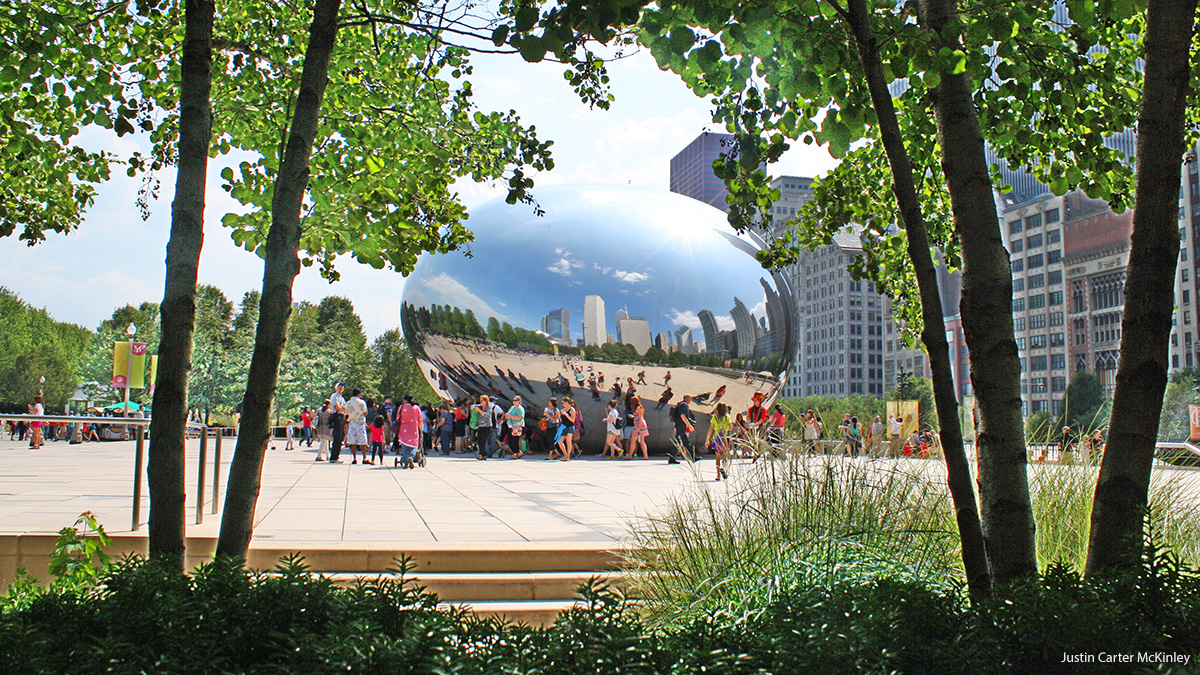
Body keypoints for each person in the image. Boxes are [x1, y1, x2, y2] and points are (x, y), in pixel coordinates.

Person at [395, 395, 423, 469]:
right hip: (413, 428)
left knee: (404, 444)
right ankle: (411, 456)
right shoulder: (416, 408)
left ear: (405, 400)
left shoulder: (402, 407)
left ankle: (405, 462)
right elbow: (420, 419)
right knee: (414, 444)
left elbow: (398, 417)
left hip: (404, 428)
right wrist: (420, 429)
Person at [706, 403, 733, 480]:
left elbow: (711, 429)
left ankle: (718, 475)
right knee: (725, 456)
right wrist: (726, 429)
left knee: (718, 458)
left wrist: (707, 439)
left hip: (717, 439)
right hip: (725, 439)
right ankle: (723, 467)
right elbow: (731, 427)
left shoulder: (715, 418)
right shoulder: (727, 418)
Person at [669, 394, 695, 464]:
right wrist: (689, 425)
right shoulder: (684, 405)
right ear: (687, 399)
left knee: (684, 441)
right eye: (690, 399)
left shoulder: (680, 404)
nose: (690, 401)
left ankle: (692, 457)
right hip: (681, 426)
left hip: (679, 425)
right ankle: (692, 457)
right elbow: (683, 416)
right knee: (681, 441)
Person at [345, 388, 369, 464]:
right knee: (362, 440)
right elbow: (365, 412)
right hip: (360, 422)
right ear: (359, 394)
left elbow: (346, 412)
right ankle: (364, 457)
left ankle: (354, 458)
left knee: (352, 440)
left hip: (352, 422)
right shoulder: (362, 402)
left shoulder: (348, 403)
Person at [626, 396, 650, 460]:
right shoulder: (638, 408)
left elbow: (640, 418)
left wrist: (638, 427)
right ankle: (645, 456)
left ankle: (630, 456)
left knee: (635, 441)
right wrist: (633, 416)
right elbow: (638, 416)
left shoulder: (639, 408)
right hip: (639, 425)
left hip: (639, 426)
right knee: (640, 441)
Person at [328, 382, 347, 463]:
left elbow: (345, 407)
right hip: (336, 416)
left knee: (340, 437)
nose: (341, 388)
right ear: (336, 388)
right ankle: (334, 457)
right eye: (339, 387)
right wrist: (343, 408)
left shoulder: (342, 398)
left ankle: (337, 455)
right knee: (337, 436)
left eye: (342, 387)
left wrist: (343, 409)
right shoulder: (334, 396)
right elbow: (337, 407)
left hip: (342, 417)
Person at [556, 397, 576, 461]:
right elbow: (562, 420)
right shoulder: (563, 409)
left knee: (568, 441)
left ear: (567, 402)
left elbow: (573, 420)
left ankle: (568, 456)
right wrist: (559, 415)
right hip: (564, 426)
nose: (562, 404)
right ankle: (565, 454)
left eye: (563, 403)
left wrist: (566, 414)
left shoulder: (572, 409)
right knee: (560, 441)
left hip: (570, 426)